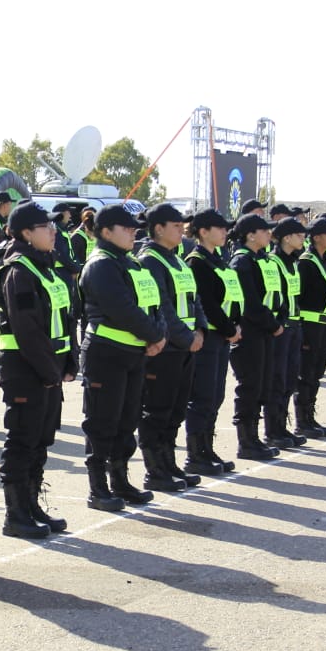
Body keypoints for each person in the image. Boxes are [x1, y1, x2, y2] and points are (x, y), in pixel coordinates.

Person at [0, 201, 77, 537]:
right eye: (46, 227)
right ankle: (16, 515)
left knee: (40, 441)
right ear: (27, 233)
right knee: (22, 441)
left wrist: (68, 362)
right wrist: (49, 372)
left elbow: (64, 319)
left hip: (48, 372)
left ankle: (31, 504)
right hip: (26, 371)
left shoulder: (47, 268)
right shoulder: (20, 271)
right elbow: (27, 329)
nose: (54, 231)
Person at [78, 204, 166, 510]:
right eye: (126, 228)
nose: (133, 232)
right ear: (106, 232)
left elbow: (153, 303)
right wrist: (155, 336)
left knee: (126, 421)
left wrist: (159, 333)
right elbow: (122, 309)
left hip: (134, 354)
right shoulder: (101, 265)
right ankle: (98, 488)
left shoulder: (131, 263)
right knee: (102, 422)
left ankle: (120, 481)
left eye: (134, 228)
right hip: (107, 354)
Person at [136, 204, 205, 492]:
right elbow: (162, 307)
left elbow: (194, 299)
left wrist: (200, 328)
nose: (182, 229)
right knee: (158, 410)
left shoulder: (178, 260)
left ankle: (169, 462)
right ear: (159, 228)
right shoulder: (150, 260)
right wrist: (187, 337)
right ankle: (155, 470)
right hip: (167, 348)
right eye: (176, 225)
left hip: (185, 347)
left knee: (176, 409)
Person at [183, 209, 243, 475]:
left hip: (222, 336)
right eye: (219, 228)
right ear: (203, 232)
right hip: (209, 336)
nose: (225, 232)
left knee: (216, 395)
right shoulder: (197, 262)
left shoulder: (218, 259)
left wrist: (234, 325)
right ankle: (196, 454)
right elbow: (207, 303)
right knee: (204, 396)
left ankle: (207, 448)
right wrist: (230, 328)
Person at [228, 213, 284, 461]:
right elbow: (249, 303)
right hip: (250, 332)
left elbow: (275, 294)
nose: (269, 234)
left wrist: (278, 320)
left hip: (266, 330)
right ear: (251, 234)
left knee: (262, 385)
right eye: (264, 230)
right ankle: (246, 441)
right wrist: (271, 324)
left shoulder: (263, 259)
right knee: (250, 385)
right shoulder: (242, 262)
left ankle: (255, 437)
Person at [294, 217, 326, 438]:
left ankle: (310, 417)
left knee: (317, 373)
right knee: (306, 374)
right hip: (309, 326)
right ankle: (302, 421)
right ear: (317, 237)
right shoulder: (306, 262)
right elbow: (299, 298)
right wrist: (301, 332)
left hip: (325, 324)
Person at [264, 218, 308, 449]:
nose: (303, 239)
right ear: (286, 238)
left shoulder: (293, 262)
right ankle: (273, 430)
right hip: (281, 328)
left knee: (290, 379)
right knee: (277, 380)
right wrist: (278, 324)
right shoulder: (274, 262)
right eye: (299, 235)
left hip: (294, 326)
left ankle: (282, 426)